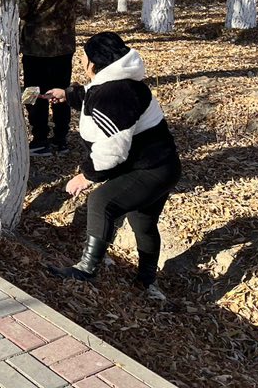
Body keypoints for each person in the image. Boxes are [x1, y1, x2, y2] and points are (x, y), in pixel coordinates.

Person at [44, 32, 181, 296]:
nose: (81, 64)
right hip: (163, 166)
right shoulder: (121, 81)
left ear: (94, 64)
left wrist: (86, 176)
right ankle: (146, 280)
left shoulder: (114, 95)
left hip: (151, 170)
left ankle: (86, 269)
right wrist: (68, 94)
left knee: (101, 202)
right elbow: (93, 94)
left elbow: (113, 149)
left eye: (83, 59)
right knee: (143, 222)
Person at [19, 0, 84, 156]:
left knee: (32, 92)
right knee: (61, 91)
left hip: (36, 45)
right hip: (65, 43)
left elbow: (21, 7)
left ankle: (38, 139)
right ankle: (61, 139)